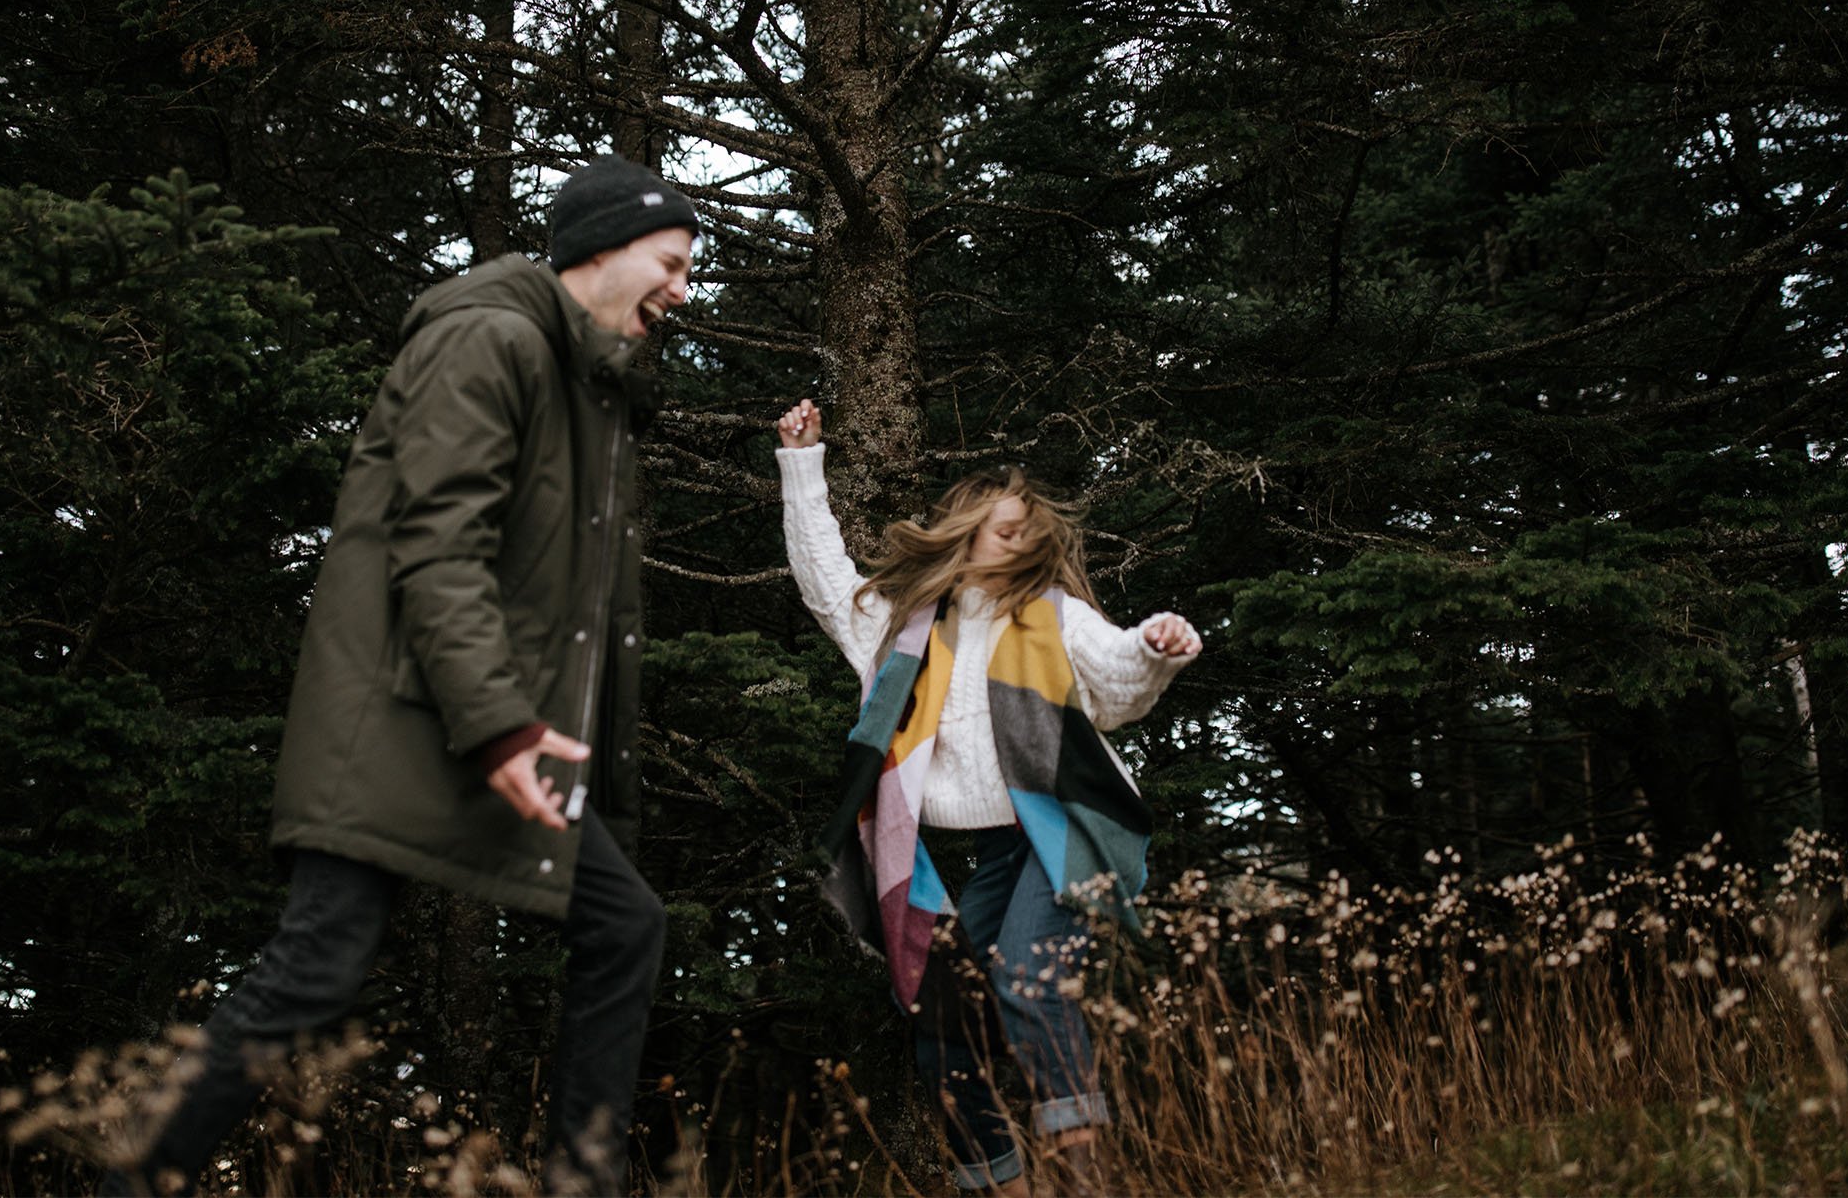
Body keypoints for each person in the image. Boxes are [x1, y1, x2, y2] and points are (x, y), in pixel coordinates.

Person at [109, 156, 699, 1198]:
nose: (683, 291)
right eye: (672, 262)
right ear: (600, 250)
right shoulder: (489, 337)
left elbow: (585, 616)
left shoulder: (589, 390)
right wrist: (506, 727)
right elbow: (436, 548)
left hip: (485, 722)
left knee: (624, 923)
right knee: (320, 961)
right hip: (403, 720)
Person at [773, 399, 1202, 1197]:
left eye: (1030, 531)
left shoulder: (1052, 618)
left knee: (1032, 983)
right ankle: (1001, 1185)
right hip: (968, 852)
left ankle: (1086, 1181)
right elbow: (825, 582)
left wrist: (1154, 648)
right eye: (1007, 525)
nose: (1023, 538)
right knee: (944, 1032)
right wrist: (802, 463)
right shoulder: (900, 625)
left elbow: (1116, 685)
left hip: (1057, 829)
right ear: (965, 527)